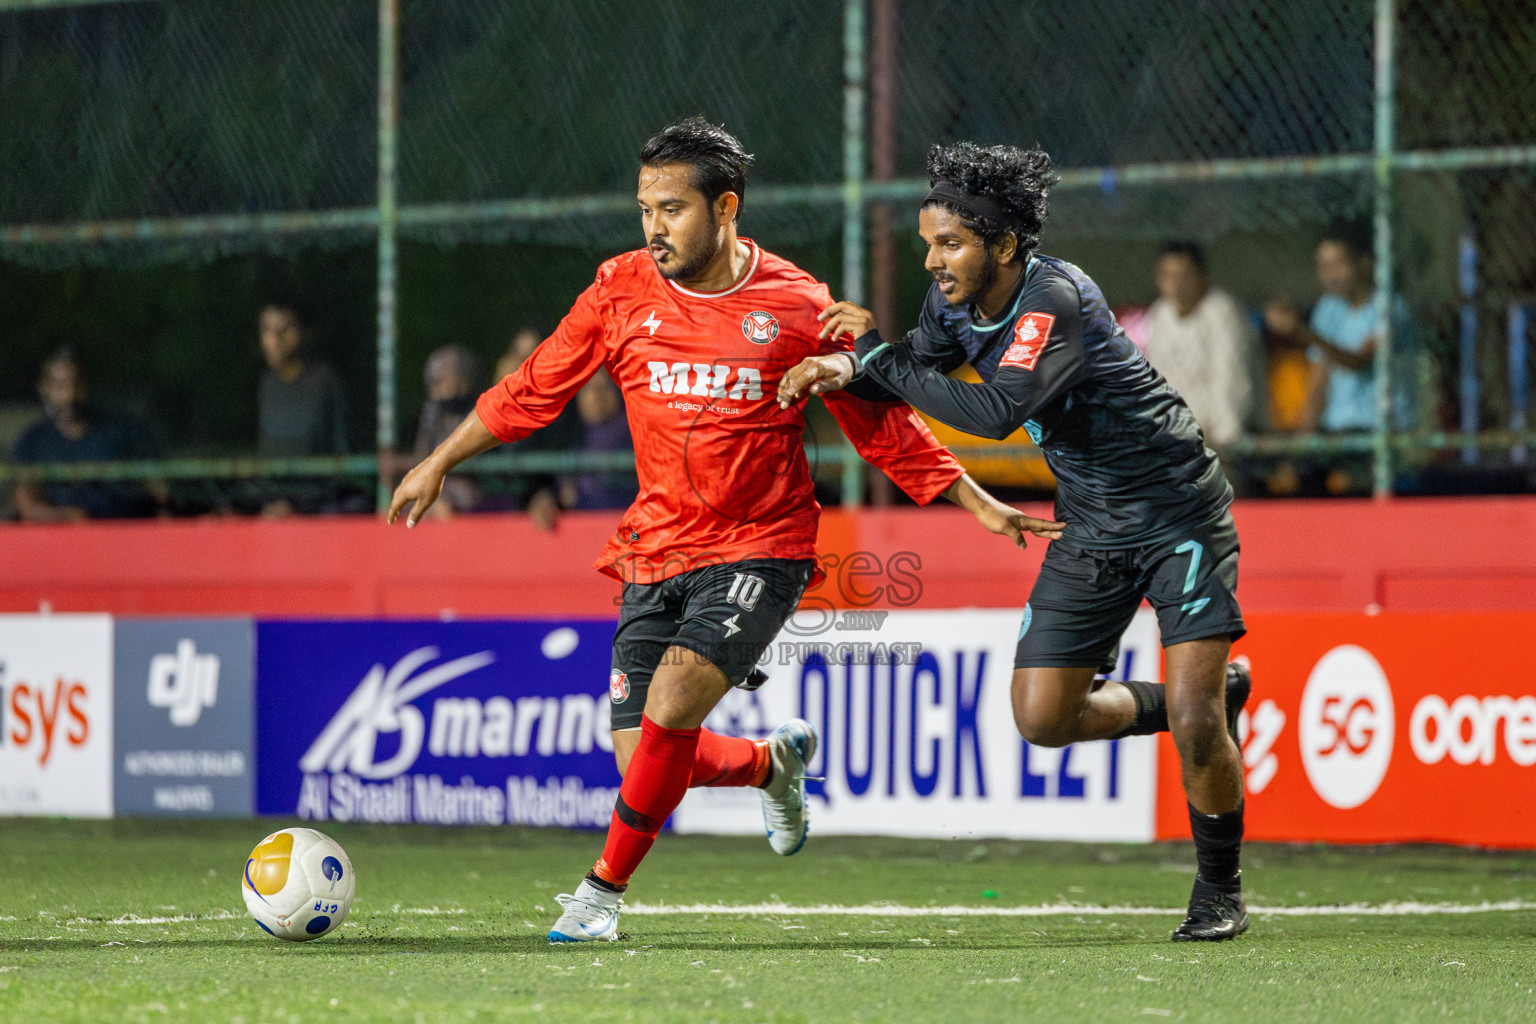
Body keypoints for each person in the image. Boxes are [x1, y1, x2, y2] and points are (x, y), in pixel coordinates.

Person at [388, 118, 1059, 943]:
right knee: (644, 757)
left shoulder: (796, 305)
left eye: (672, 209)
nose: (654, 227)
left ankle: (600, 894)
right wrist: (440, 461)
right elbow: (535, 387)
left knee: (671, 700)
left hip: (760, 548)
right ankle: (768, 763)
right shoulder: (618, 291)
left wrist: (975, 499)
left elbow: (879, 427)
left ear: (726, 207)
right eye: (645, 209)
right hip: (653, 547)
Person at [779, 142, 1253, 942]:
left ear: (1003, 244)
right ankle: (1186, 703)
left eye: (949, 243)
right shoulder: (954, 305)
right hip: (1092, 522)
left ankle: (1220, 892)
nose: (932, 259)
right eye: (927, 242)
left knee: (1202, 724)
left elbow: (996, 411)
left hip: (1178, 515)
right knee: (1041, 717)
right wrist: (840, 365)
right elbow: (911, 369)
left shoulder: (1056, 297)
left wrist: (874, 357)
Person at [1263, 224, 1413, 494]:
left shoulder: (1390, 305)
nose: (1329, 275)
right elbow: (1317, 385)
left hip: (1382, 432)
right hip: (1337, 435)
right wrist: (1298, 451)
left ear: (1364, 264)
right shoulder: (1327, 308)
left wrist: (1303, 334)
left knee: (1350, 485)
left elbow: (1358, 362)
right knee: (1295, 480)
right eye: (1323, 266)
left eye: (1338, 265)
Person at [12, 347, 159, 521]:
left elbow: (157, 489)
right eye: (60, 385)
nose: (69, 395)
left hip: (126, 534)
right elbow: (26, 505)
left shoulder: (123, 430)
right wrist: (68, 517)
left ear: (86, 386)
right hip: (62, 540)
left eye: (76, 384)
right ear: (45, 389)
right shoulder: (32, 441)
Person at [1145, 242, 1256, 449]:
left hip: (1219, 442)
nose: (1176, 286)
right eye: (1168, 277)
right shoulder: (1159, 314)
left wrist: (1220, 439)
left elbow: (1231, 383)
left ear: (1201, 276)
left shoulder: (1221, 310)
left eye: (1184, 276)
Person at [255, 302, 350, 516]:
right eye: (267, 330)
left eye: (284, 330)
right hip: (268, 509)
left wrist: (298, 508)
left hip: (316, 510)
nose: (274, 340)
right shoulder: (265, 385)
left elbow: (340, 458)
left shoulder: (324, 382)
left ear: (302, 332)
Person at [411, 345, 485, 518]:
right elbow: (421, 457)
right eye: (438, 380)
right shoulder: (432, 412)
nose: (442, 385)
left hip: (470, 495)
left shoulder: (476, 410)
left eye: (449, 376)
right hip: (438, 492)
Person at [566, 369, 638, 510]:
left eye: (604, 388)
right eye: (589, 388)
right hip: (580, 523)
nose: (596, 396)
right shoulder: (568, 432)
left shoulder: (634, 427)